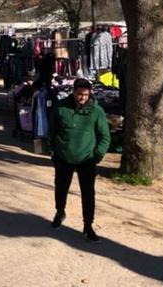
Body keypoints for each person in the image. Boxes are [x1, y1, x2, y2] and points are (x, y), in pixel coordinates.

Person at [48, 78, 110, 243]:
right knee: (61, 188)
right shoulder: (61, 108)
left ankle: (88, 226)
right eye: (79, 94)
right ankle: (60, 212)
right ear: (73, 91)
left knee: (88, 194)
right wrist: (53, 151)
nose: (82, 97)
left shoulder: (96, 111)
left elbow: (105, 137)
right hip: (63, 157)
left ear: (89, 94)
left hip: (86, 159)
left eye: (85, 94)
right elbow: (51, 131)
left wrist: (96, 156)